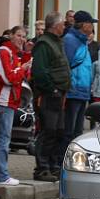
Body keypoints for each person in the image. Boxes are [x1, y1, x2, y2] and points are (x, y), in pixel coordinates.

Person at [31, 12, 70, 182]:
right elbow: (39, 71)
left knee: (59, 130)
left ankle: (54, 166)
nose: (64, 26)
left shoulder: (56, 42)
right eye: (62, 23)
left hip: (59, 94)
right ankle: (42, 168)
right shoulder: (44, 44)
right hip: (48, 95)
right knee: (48, 130)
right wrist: (52, 89)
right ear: (55, 26)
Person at [0, 25, 27, 186]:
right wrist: (22, 69)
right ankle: (1, 175)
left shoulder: (14, 54)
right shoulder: (4, 52)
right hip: (4, 100)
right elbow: (8, 78)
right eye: (19, 35)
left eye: (24, 36)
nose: (22, 39)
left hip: (11, 100)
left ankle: (2, 173)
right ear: (10, 36)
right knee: (4, 139)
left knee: (5, 138)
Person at [63, 10, 97, 153]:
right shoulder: (71, 41)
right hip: (73, 92)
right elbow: (66, 66)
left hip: (81, 92)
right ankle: (63, 161)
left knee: (77, 131)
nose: (92, 27)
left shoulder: (81, 41)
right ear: (84, 25)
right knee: (69, 131)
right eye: (91, 24)